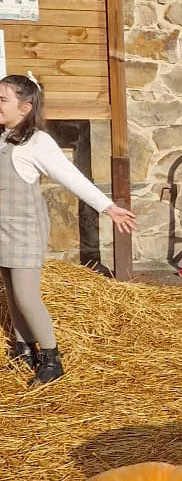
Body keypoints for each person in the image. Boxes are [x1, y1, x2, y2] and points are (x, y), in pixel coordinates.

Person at [0, 73, 137, 386]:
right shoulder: (4, 137)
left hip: (24, 230)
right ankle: (24, 351)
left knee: (26, 294)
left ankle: (51, 358)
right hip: (2, 227)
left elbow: (71, 177)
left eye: (2, 99)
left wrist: (108, 207)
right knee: (11, 293)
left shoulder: (37, 142)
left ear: (24, 107)